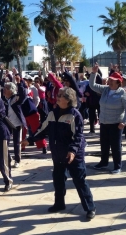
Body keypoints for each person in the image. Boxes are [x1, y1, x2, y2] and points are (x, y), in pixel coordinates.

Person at [21, 87, 96, 219]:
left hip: (73, 156)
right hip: (58, 155)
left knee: (79, 181)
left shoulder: (74, 115)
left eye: (61, 95)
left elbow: (78, 137)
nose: (58, 97)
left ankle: (90, 208)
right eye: (58, 95)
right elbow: (42, 130)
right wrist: (29, 139)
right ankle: (59, 204)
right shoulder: (52, 113)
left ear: (68, 100)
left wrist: (72, 151)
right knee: (58, 180)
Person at [89, 63, 126, 174]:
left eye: (113, 80)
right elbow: (92, 85)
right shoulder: (105, 90)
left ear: (118, 82)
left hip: (116, 124)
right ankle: (104, 162)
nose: (110, 81)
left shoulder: (123, 93)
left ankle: (117, 166)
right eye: (110, 79)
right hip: (104, 122)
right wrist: (94, 73)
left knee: (115, 146)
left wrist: (124, 122)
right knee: (104, 144)